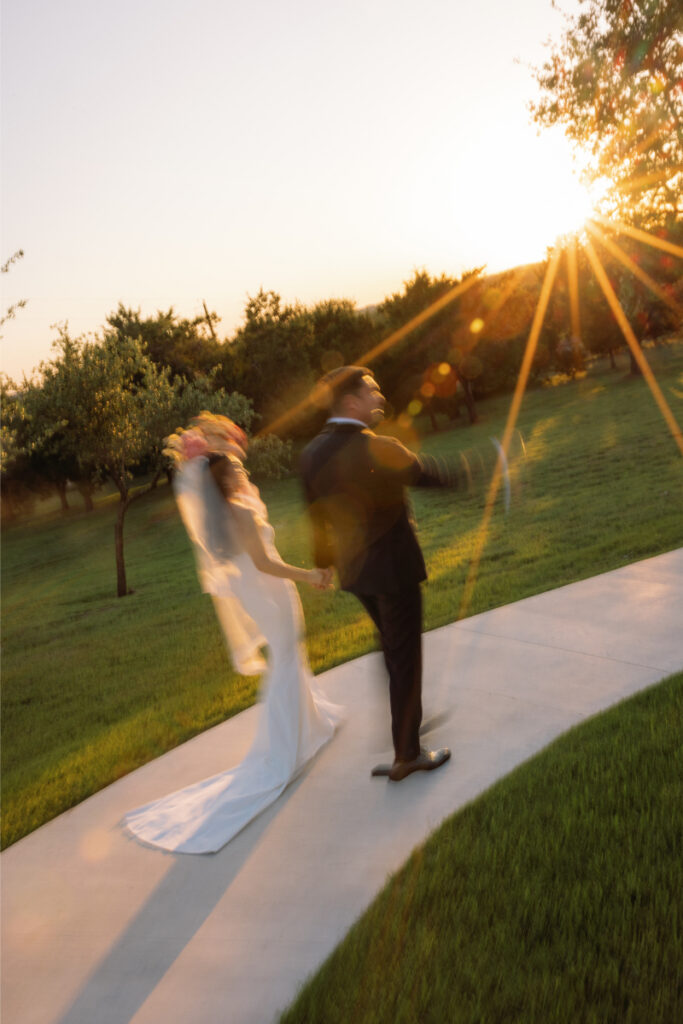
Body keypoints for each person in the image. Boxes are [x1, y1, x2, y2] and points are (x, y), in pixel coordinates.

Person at [123, 412, 342, 854]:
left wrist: (211, 446)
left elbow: (247, 559)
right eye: (238, 469)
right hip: (272, 591)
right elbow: (264, 563)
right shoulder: (238, 510)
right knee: (284, 659)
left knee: (287, 656)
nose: (244, 470)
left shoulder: (223, 513)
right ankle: (281, 752)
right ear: (223, 481)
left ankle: (308, 725)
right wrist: (311, 575)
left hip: (259, 595)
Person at [300, 366, 475, 782]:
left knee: (394, 653)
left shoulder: (311, 453)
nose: (380, 398)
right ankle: (407, 755)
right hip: (394, 573)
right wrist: (475, 470)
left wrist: (324, 564)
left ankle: (406, 729)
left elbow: (316, 517)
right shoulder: (377, 447)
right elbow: (428, 476)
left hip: (357, 576)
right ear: (351, 402)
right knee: (404, 659)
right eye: (372, 392)